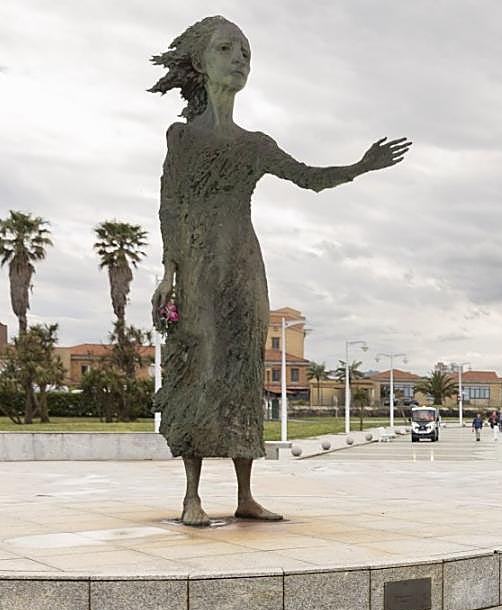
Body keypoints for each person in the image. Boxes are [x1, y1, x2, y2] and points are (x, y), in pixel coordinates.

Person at [148, 16, 409, 525]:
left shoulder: (255, 144)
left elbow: (309, 178)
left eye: (245, 50)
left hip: (244, 268)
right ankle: (192, 496)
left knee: (243, 373)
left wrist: (360, 166)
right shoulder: (183, 138)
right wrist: (168, 271)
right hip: (198, 268)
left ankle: (245, 493)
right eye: (227, 49)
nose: (240, 58)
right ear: (200, 62)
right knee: (199, 370)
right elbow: (170, 204)